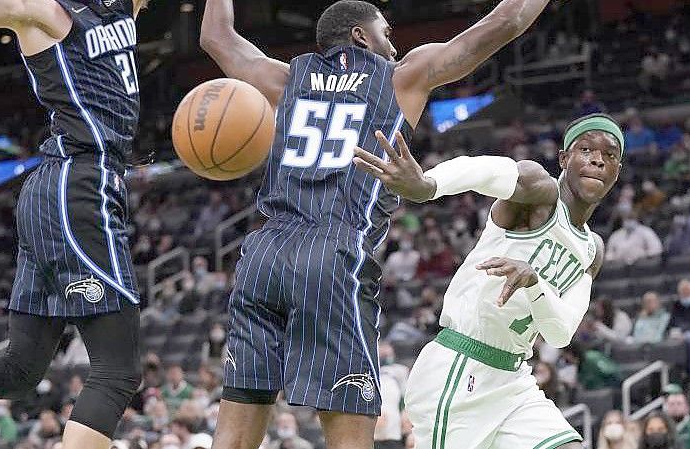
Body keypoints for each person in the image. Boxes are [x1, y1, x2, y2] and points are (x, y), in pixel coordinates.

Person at [200, 0, 552, 447]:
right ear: (360, 37)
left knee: (233, 434)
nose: (393, 44)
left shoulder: (287, 78)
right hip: (333, 255)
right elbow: (507, 21)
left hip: (262, 256)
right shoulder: (401, 75)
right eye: (386, 33)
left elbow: (215, 36)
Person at [0, 1, 149, 449]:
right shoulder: (51, 12)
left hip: (55, 190)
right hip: (79, 181)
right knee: (117, 370)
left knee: (21, 368)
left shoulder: (120, 8)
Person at [355, 113, 623, 448]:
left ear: (617, 171)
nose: (597, 159)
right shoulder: (539, 190)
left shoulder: (592, 249)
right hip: (461, 364)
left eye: (609, 155)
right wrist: (428, 185)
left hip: (513, 378)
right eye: (586, 149)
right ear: (565, 159)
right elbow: (484, 170)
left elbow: (560, 333)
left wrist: (535, 284)